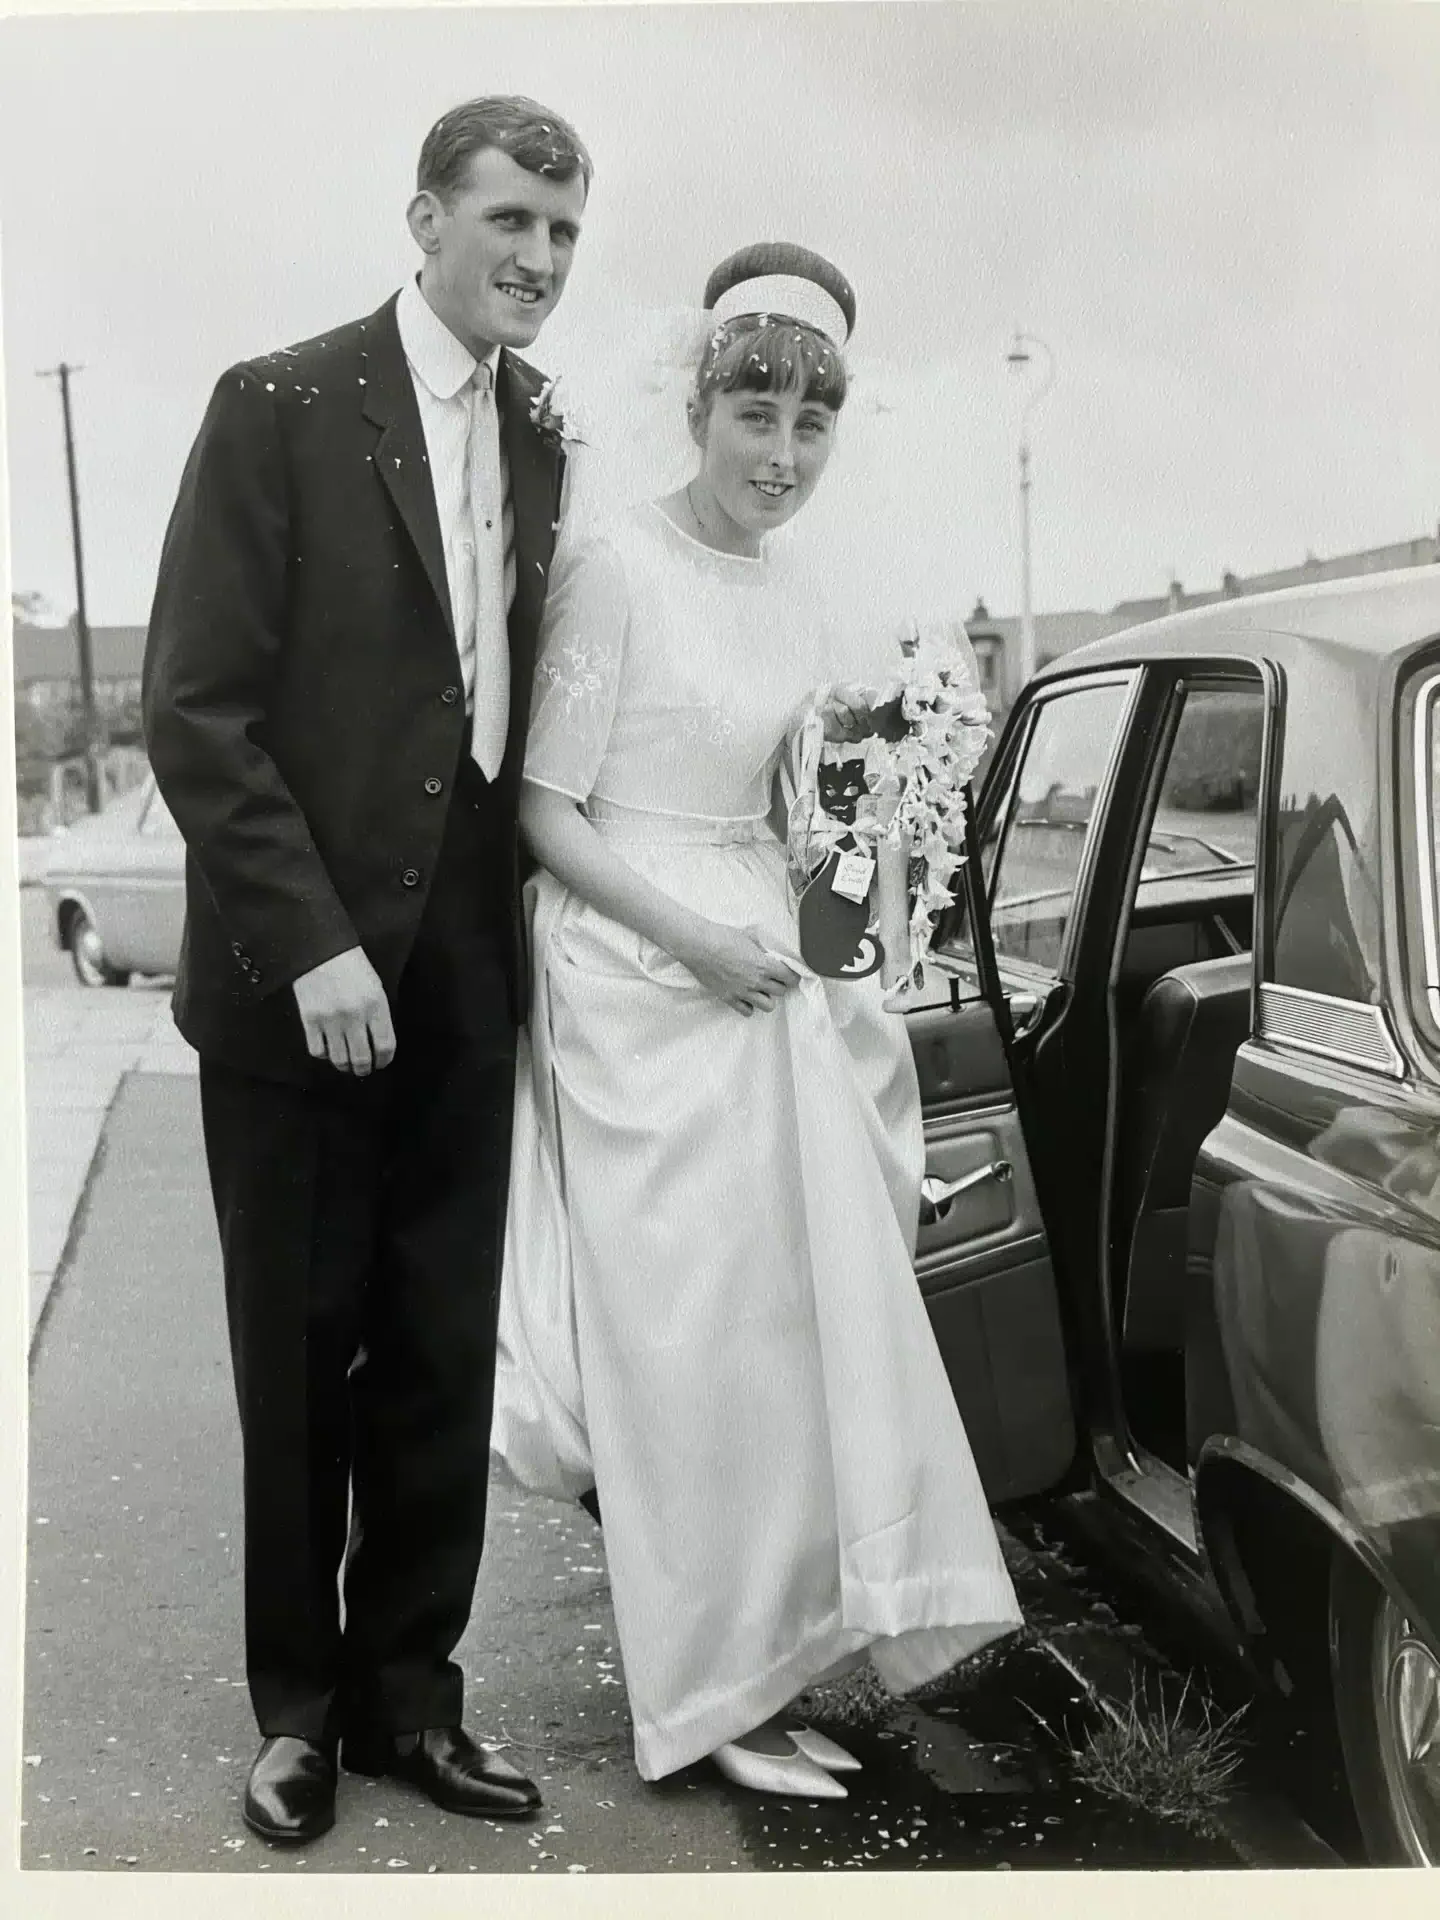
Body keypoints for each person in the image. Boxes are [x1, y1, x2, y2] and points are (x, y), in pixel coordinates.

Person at [492, 242, 1023, 1799]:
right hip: (633, 978)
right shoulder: (617, 566)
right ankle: (704, 1689)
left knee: (786, 1341)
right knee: (684, 1353)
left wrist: (868, 864)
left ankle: (789, 1650)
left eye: (810, 430)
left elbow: (804, 822)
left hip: (765, 976)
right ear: (702, 405)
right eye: (756, 420)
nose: (781, 459)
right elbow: (543, 810)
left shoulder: (801, 602)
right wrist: (695, 941)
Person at [141, 95, 592, 1845]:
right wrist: (314, 941)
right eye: (508, 224)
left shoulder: (547, 430)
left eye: (563, 233)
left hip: (471, 969)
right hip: (299, 979)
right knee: (299, 1350)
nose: (539, 260)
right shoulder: (280, 405)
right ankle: (300, 1710)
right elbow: (197, 707)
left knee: (433, 1355)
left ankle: (414, 1696)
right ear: (423, 219)